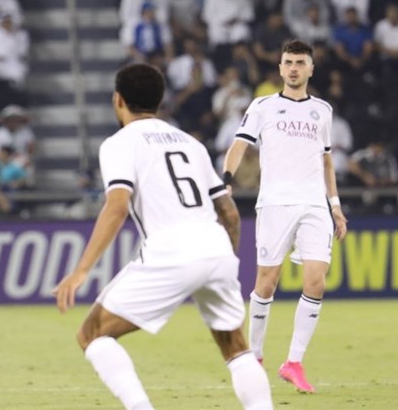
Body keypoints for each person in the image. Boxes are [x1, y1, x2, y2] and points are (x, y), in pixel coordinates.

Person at [53, 63, 273, 410]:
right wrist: (226, 259)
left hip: (171, 249)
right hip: (216, 247)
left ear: (118, 100)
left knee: (92, 334)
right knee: (236, 349)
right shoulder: (191, 143)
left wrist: (81, 271)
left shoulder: (119, 143)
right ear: (158, 101)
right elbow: (229, 212)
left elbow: (116, 206)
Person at [222, 40, 349, 394]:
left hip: (314, 205)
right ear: (279, 68)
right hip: (275, 204)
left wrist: (335, 205)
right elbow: (238, 146)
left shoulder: (322, 110)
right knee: (266, 281)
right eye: (288, 62)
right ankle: (256, 357)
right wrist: (226, 182)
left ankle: (293, 362)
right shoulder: (262, 106)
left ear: (311, 69)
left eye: (300, 63)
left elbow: (326, 161)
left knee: (316, 281)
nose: (293, 68)